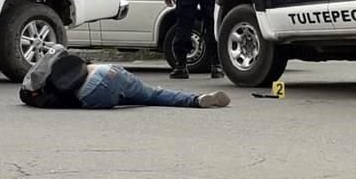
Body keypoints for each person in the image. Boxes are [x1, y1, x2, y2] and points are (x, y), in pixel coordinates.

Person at [19, 46, 231, 109]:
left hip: (92, 97)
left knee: (139, 99)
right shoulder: (56, 60)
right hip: (104, 73)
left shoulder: (37, 92)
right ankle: (196, 100)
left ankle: (197, 101)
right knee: (153, 94)